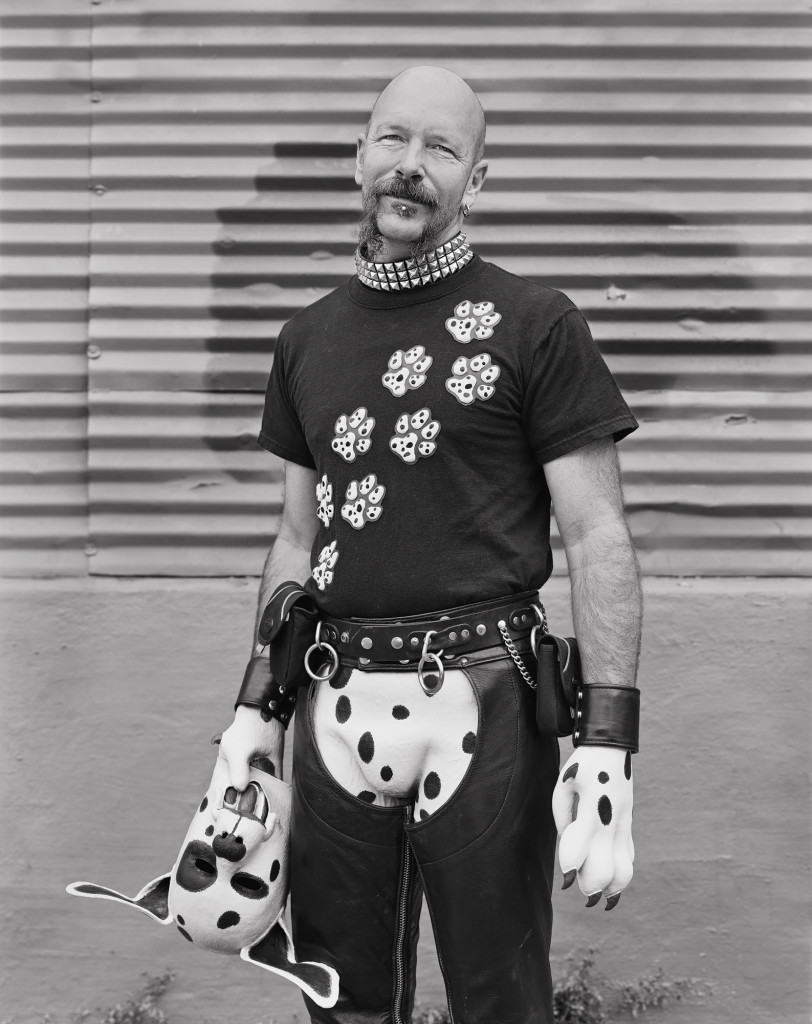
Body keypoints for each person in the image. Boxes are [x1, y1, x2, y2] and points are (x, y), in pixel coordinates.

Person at [218, 66, 642, 1024]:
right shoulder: (306, 338)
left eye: (441, 150)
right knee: (339, 997)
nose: (411, 168)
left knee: (500, 997)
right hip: (333, 698)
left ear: (476, 180)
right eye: (393, 141)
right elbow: (296, 539)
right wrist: (255, 713)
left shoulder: (538, 324)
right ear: (357, 158)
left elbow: (597, 532)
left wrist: (609, 740)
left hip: (489, 696)